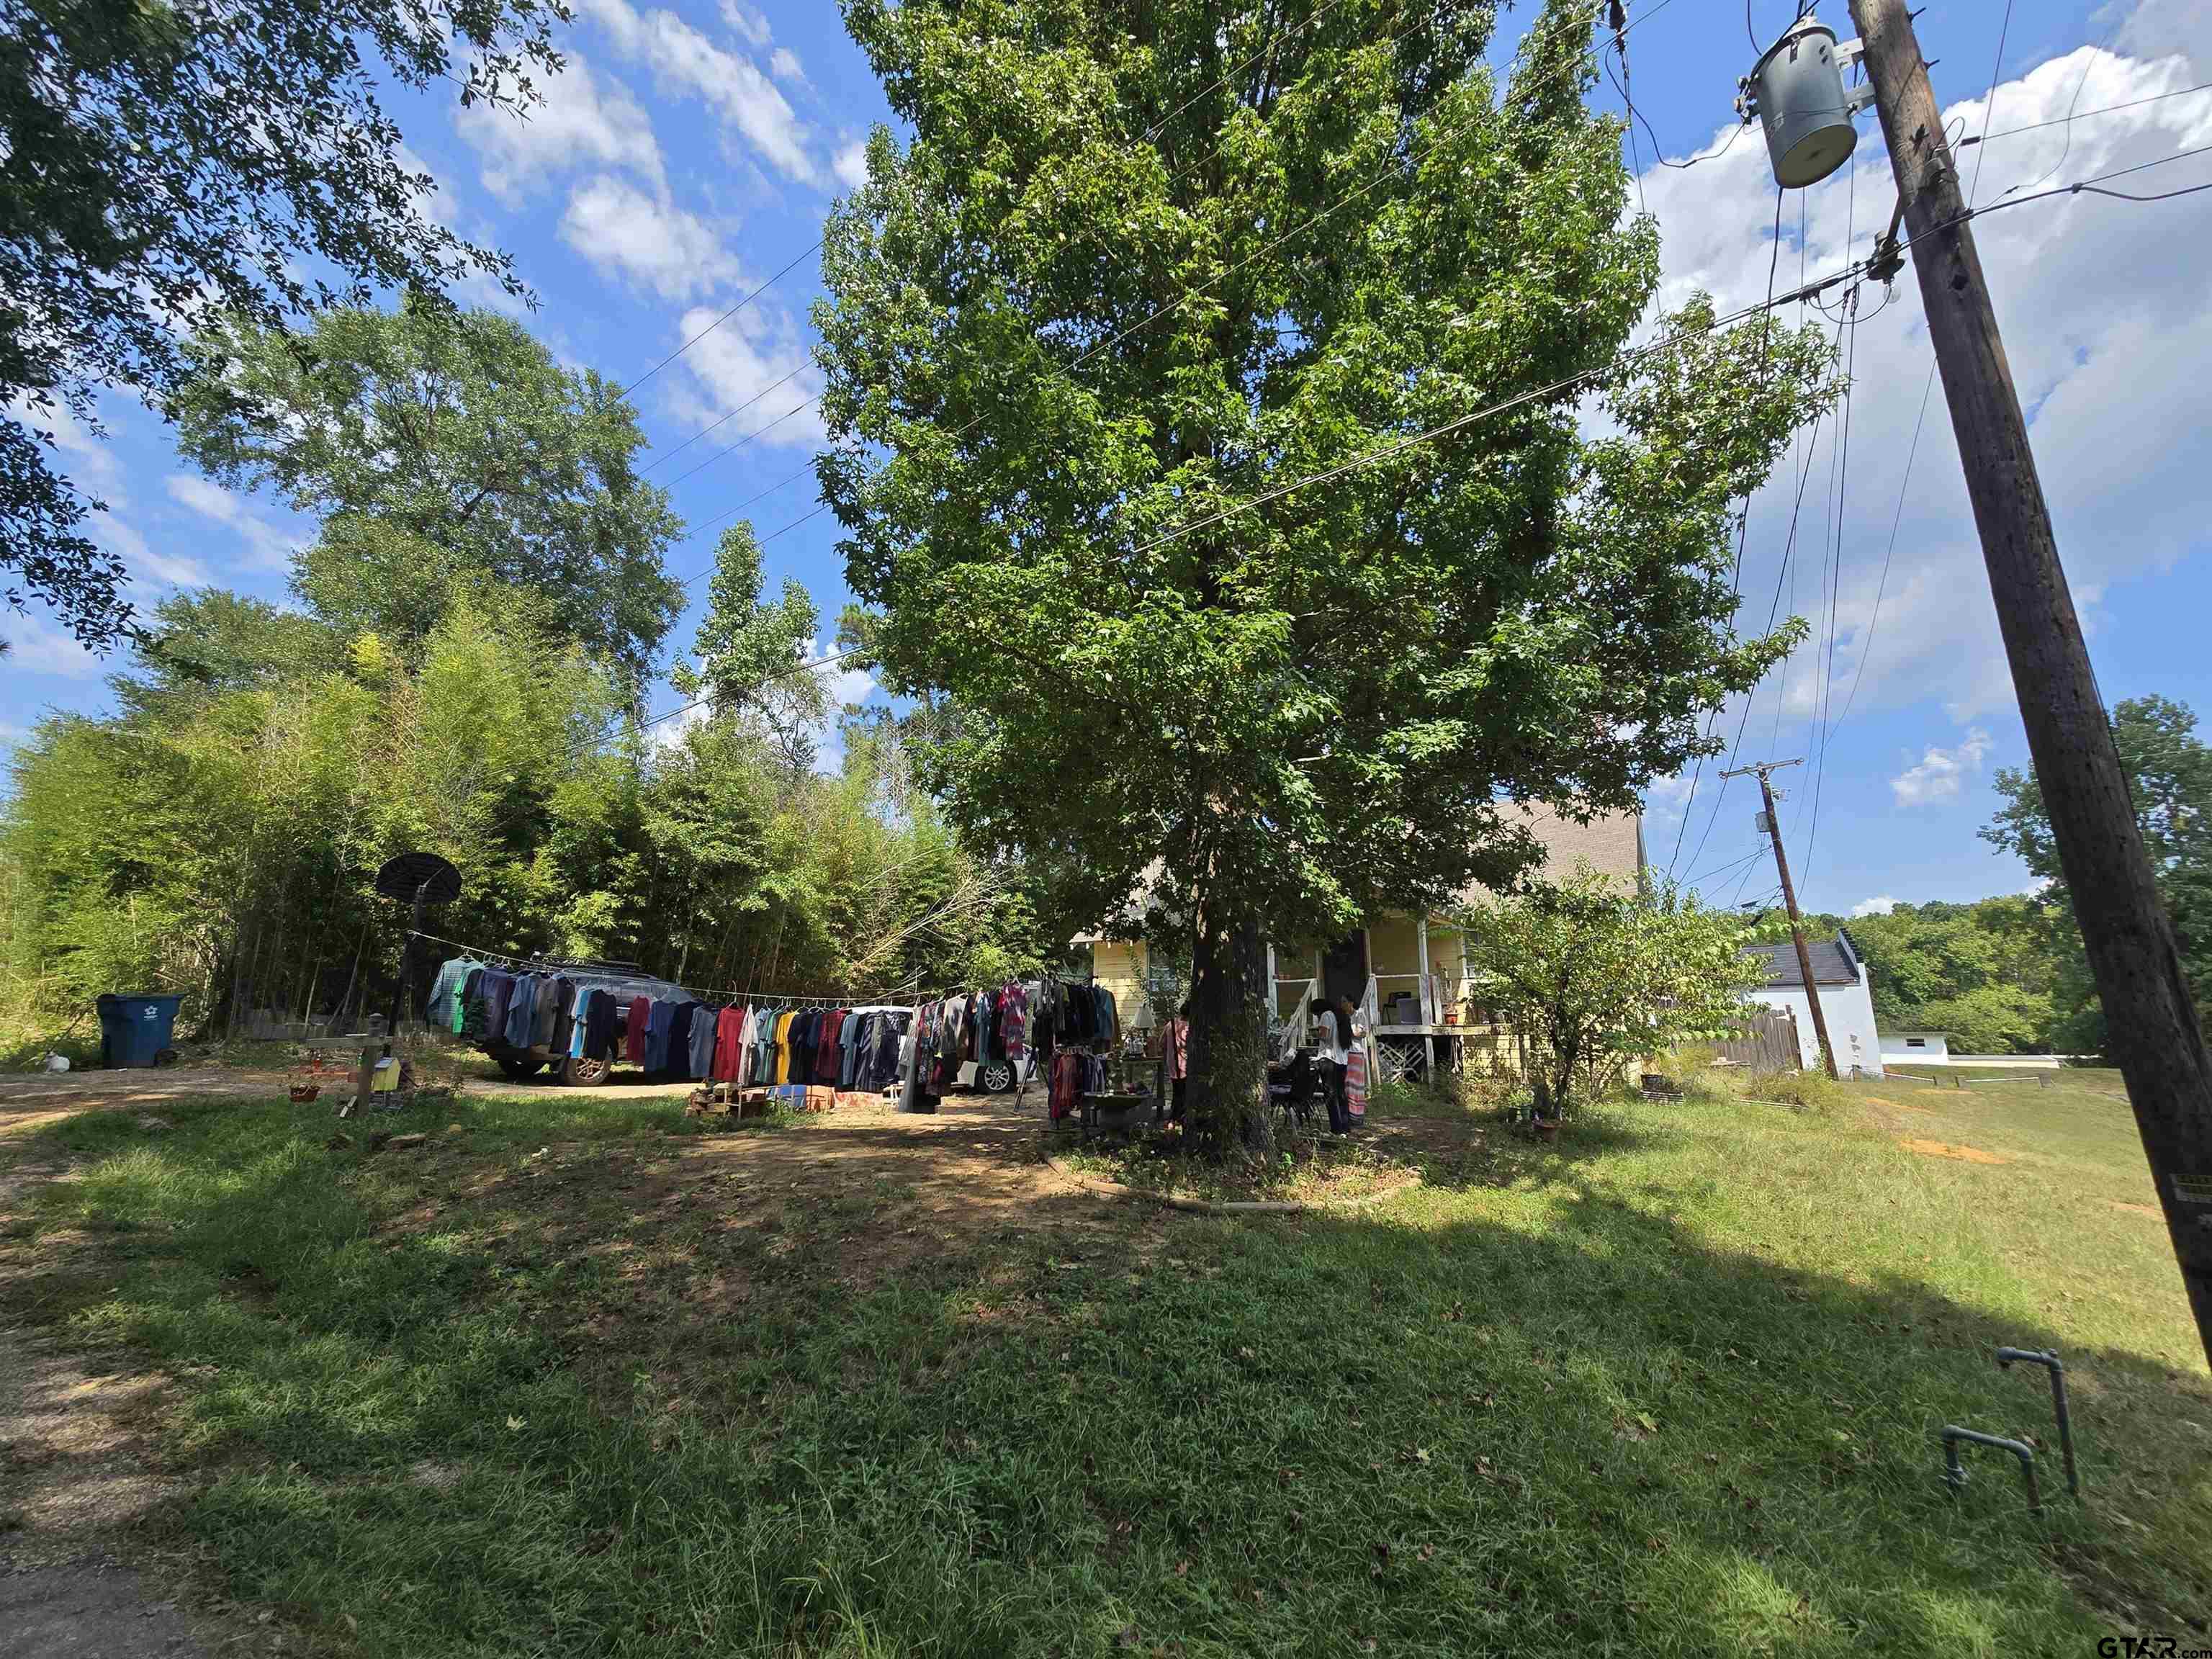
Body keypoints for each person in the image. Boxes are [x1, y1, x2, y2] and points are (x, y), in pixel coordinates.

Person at [1311, 996, 1349, 1133]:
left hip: (1329, 1059)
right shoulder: (1340, 1015)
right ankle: (1345, 1126)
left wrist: (1316, 1032)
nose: (1316, 1016)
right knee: (1341, 1094)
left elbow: (1324, 1036)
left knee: (1330, 1095)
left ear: (1318, 1010)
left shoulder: (1326, 1015)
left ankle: (1336, 1129)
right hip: (1342, 1060)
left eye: (1315, 1013)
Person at [1163, 1002, 1191, 1122]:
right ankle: (1179, 1117)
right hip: (1184, 1063)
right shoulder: (1189, 1027)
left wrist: (1167, 1054)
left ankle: (1174, 1116)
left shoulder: (1171, 1024)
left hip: (1172, 1063)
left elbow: (1161, 1043)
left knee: (1176, 1090)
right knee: (1183, 1092)